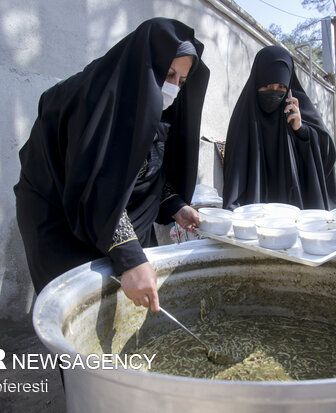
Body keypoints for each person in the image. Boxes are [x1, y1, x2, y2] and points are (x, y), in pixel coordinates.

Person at [14, 18, 209, 312]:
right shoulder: (92, 100)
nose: (173, 89)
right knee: (79, 310)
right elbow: (94, 182)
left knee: (135, 298)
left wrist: (175, 205)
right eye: (167, 74)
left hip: (113, 214)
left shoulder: (151, 107)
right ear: (145, 63)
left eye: (181, 81)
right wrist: (129, 256)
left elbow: (142, 171)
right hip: (61, 218)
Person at [222, 46, 336, 211]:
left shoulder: (297, 111)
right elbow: (235, 172)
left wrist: (302, 130)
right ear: (257, 82)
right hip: (255, 212)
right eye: (267, 86)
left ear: (289, 87)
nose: (274, 92)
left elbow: (326, 153)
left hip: (295, 210)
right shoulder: (244, 117)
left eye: (281, 88)